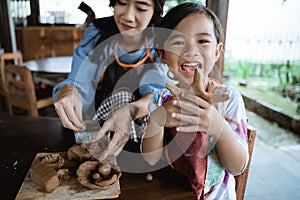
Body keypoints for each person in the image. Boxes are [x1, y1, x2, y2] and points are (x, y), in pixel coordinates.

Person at [141, 3, 249, 199]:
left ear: (217, 51)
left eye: (202, 41)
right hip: (172, 192)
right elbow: (151, 160)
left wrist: (218, 127)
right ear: (162, 55)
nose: (191, 50)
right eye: (178, 42)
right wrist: (156, 122)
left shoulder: (228, 100)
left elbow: (237, 167)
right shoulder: (160, 100)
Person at [53, 0, 172, 161]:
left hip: (145, 145)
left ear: (155, 12)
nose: (128, 16)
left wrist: (133, 110)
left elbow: (159, 95)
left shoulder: (161, 41)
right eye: (122, 3)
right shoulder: (98, 33)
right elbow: (79, 82)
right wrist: (68, 90)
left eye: (141, 8)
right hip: (100, 138)